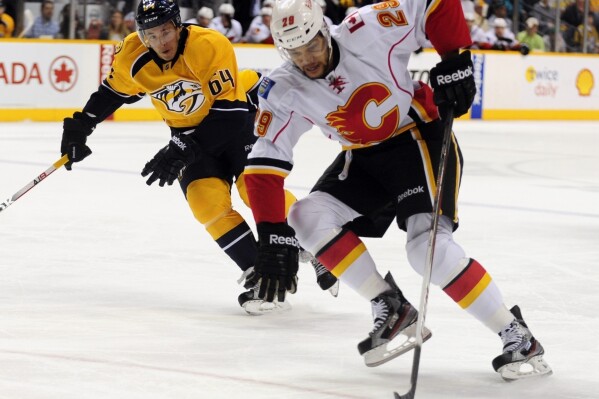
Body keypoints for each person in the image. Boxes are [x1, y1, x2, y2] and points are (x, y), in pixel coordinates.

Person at [242, 0, 552, 380]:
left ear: (325, 30)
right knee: (305, 216)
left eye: (312, 46)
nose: (306, 59)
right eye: (295, 51)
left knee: (426, 251)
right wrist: (272, 235)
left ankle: (517, 334)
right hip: (363, 157)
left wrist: (455, 57)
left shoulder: (366, 28)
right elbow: (263, 164)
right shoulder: (284, 87)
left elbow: (434, 4)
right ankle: (391, 305)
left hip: (417, 136)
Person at [59, 0, 336, 315]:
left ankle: (317, 243)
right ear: (141, 35)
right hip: (189, 136)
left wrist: (180, 147)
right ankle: (261, 276)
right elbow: (113, 92)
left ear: (178, 25)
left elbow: (229, 114)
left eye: (166, 31)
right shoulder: (132, 55)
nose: (161, 41)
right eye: (152, 34)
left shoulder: (208, 44)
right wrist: (81, 125)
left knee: (253, 189)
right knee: (206, 204)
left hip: (234, 125)